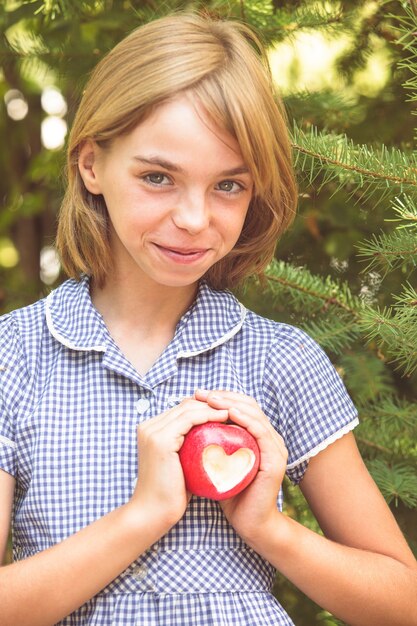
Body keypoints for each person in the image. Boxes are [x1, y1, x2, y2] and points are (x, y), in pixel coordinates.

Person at [0, 11, 416, 626]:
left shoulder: (282, 360)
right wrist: (143, 516)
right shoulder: (14, 358)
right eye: (158, 177)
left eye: (228, 186)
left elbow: (402, 601)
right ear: (91, 165)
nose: (194, 218)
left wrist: (269, 529)